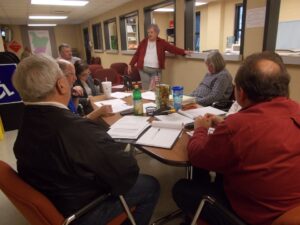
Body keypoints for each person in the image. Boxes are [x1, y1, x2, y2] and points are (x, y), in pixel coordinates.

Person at [12, 54, 160, 225]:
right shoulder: (76, 130)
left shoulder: (26, 122)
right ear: (61, 85)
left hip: (55, 197)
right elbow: (127, 171)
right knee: (150, 185)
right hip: (82, 211)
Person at [172, 51, 300, 225]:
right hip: (291, 210)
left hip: (254, 217)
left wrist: (200, 129)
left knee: (181, 188)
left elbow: (197, 156)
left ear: (241, 93)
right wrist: (225, 123)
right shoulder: (296, 111)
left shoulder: (237, 126)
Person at [128, 24, 190, 90]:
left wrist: (184, 52)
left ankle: (154, 100)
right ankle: (146, 100)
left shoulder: (162, 42)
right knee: (145, 88)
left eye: (151, 32)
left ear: (157, 33)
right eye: (148, 32)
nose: (149, 34)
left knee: (155, 89)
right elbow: (137, 54)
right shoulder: (143, 42)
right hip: (143, 69)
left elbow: (172, 48)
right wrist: (131, 64)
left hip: (156, 71)